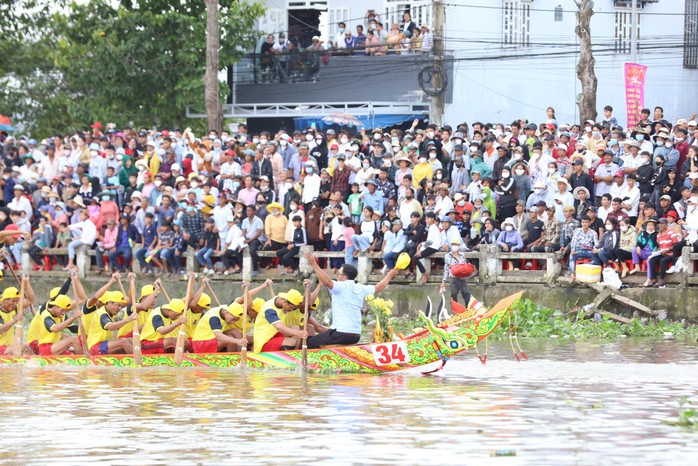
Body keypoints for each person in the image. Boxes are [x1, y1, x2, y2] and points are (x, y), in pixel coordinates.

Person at [304, 250, 399, 348]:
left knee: (311, 342)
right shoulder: (360, 287)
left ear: (344, 277)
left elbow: (326, 280)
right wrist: (389, 276)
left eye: (338, 274)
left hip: (341, 333)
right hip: (356, 335)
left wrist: (313, 263)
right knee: (324, 333)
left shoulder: (340, 286)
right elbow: (378, 287)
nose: (337, 276)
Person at [86, 291, 135, 355]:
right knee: (123, 342)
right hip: (95, 348)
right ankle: (139, 361)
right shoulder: (102, 314)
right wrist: (128, 319)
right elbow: (111, 327)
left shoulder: (111, 311)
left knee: (131, 340)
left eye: (121, 306)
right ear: (109, 303)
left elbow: (129, 301)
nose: (120, 308)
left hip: (104, 344)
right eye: (118, 305)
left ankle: (140, 356)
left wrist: (131, 282)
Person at [0, 276, 35, 355]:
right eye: (13, 301)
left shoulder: (14, 307)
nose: (15, 304)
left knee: (26, 347)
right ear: (5, 300)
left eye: (17, 301)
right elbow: (1, 330)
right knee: (17, 349)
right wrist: (14, 321)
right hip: (1, 347)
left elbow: (31, 300)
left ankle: (37, 363)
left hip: (8, 347)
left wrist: (27, 282)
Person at [647, 218, 680, 288]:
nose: (660, 225)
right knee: (652, 259)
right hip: (662, 253)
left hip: (670, 254)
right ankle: (653, 279)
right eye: (659, 224)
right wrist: (657, 251)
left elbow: (676, 245)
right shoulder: (658, 235)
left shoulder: (671, 233)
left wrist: (667, 250)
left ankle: (662, 279)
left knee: (663, 260)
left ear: (666, 224)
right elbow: (660, 246)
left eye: (662, 223)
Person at [440, 238, 471, 307]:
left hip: (462, 278)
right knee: (454, 295)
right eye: (453, 244)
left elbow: (464, 265)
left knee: (466, 295)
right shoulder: (448, 256)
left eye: (456, 244)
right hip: (454, 278)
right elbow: (447, 269)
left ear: (459, 245)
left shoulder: (462, 255)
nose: (455, 246)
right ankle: (454, 312)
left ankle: (468, 311)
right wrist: (443, 282)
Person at [568, 215, 599, 283]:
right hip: (579, 251)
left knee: (597, 258)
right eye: (583, 222)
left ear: (590, 223)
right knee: (571, 255)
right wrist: (573, 249)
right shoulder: (577, 231)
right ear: (581, 223)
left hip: (589, 251)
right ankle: (572, 274)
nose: (584, 224)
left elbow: (596, 243)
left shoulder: (593, 233)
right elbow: (573, 241)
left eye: (586, 222)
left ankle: (583, 267)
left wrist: (595, 249)